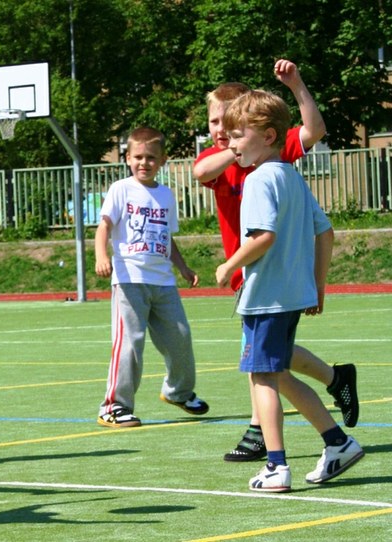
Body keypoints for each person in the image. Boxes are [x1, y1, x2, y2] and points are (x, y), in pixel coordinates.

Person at [193, 59, 358, 462]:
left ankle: (269, 442)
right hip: (256, 275)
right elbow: (201, 171)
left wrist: (296, 86)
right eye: (215, 123)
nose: (218, 131)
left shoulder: (269, 163)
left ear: (257, 130)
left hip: (266, 274)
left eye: (226, 123)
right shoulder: (233, 158)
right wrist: (237, 146)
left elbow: (314, 130)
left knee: (263, 367)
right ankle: (336, 383)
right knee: (272, 360)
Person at [95, 127, 209, 429]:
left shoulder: (166, 195)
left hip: (163, 281)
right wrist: (101, 256)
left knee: (180, 339)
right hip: (129, 279)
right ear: (128, 158)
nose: (143, 163)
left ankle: (178, 392)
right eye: (138, 157)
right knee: (130, 344)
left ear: (163, 160)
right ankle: (114, 406)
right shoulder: (121, 188)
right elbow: (104, 227)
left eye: (151, 158)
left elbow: (166, 238)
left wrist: (183, 268)